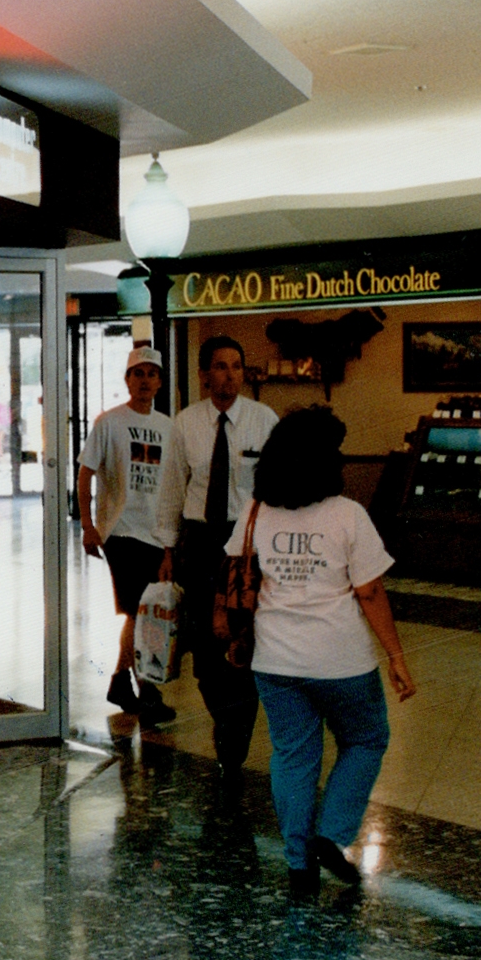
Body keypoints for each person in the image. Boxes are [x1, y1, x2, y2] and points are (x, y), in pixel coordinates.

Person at [228, 406, 415, 897]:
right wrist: (396, 656)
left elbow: (236, 572)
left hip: (275, 660)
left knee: (293, 756)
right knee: (366, 739)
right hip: (342, 661)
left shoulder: (256, 511)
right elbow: (370, 593)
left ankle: (297, 864)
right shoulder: (347, 515)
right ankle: (330, 836)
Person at [153, 336, 277, 797]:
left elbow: (276, 488)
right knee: (205, 651)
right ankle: (225, 719)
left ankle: (234, 736)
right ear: (205, 374)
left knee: (245, 644)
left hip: (248, 545)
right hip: (201, 544)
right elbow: (170, 491)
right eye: (220, 367)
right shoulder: (185, 425)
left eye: (236, 366)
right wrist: (167, 552)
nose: (229, 375)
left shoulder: (264, 421)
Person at [77, 346, 176, 724]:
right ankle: (147, 689)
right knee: (138, 610)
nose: (145, 380)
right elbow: (86, 472)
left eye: (152, 374)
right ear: (127, 379)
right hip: (120, 531)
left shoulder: (168, 427)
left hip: (156, 531)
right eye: (139, 374)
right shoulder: (109, 423)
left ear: (160, 382)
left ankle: (121, 680)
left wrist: (170, 542)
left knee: (140, 612)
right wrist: (89, 525)